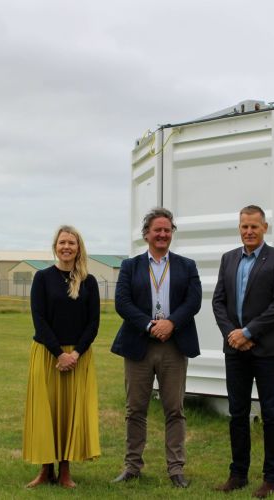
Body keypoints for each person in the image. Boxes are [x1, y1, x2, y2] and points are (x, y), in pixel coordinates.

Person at [111, 207, 202, 488]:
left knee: (174, 409)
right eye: (157, 230)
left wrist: (171, 323)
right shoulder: (130, 266)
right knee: (135, 410)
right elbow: (122, 303)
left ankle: (176, 469)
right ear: (146, 234)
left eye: (167, 229)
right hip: (139, 345)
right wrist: (150, 326)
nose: (162, 234)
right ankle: (132, 467)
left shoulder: (187, 266)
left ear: (172, 233)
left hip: (174, 346)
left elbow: (193, 301)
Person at [212, 205, 274, 499]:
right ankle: (238, 474)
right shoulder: (229, 259)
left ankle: (270, 478)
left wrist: (248, 332)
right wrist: (233, 335)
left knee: (271, 414)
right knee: (237, 413)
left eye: (254, 227)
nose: (248, 231)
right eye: (244, 226)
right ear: (239, 227)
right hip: (235, 350)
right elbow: (218, 302)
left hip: (267, 351)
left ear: (265, 228)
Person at [22, 225, 101, 488]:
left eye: (72, 243)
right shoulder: (42, 278)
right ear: (55, 246)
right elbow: (39, 319)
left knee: (69, 413)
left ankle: (65, 470)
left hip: (78, 357)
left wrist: (75, 353)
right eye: (62, 242)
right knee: (47, 413)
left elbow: (93, 323)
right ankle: (46, 470)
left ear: (79, 248)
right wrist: (59, 353)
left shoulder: (89, 281)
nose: (66, 247)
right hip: (47, 355)